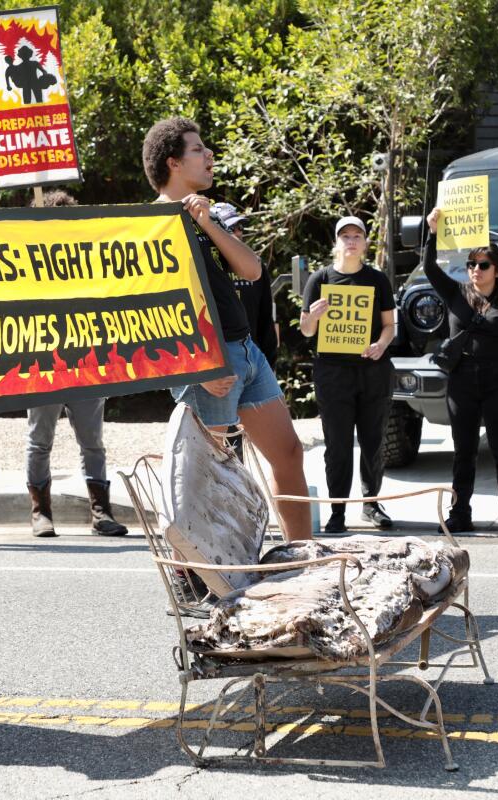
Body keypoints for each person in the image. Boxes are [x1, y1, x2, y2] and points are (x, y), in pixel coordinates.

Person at [142, 117, 311, 541]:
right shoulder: (154, 224)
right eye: (199, 149)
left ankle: (304, 560)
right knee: (203, 481)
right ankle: (192, 578)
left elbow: (251, 270)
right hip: (208, 363)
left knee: (289, 454)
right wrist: (198, 367)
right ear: (173, 163)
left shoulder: (204, 214)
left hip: (246, 353)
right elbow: (151, 310)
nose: (210, 155)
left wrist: (210, 224)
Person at [25, 189, 129, 538]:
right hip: (42, 365)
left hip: (86, 364)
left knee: (92, 442)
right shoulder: (24, 262)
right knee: (40, 441)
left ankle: (101, 512)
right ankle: (40, 512)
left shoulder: (90, 260)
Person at [423, 208, 498, 534]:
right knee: (463, 451)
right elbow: (429, 268)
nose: (475, 270)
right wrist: (431, 232)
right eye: (471, 265)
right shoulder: (456, 293)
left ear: (497, 270)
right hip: (462, 382)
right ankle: (460, 513)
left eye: (483, 265)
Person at [300, 216, 396, 533]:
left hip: (373, 372)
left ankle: (371, 504)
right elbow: (305, 330)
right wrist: (312, 316)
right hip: (333, 373)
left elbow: (389, 326)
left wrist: (381, 345)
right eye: (345, 236)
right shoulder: (319, 279)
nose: (351, 241)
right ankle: (337, 511)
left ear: (365, 242)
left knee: (373, 442)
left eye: (357, 235)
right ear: (336, 242)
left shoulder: (378, 280)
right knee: (337, 446)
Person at [211, 202, 279, 463]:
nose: (238, 233)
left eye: (240, 227)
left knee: (258, 449)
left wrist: (269, 366)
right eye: (230, 228)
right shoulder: (207, 267)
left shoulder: (255, 266)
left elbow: (267, 321)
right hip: (220, 367)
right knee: (221, 450)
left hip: (254, 363)